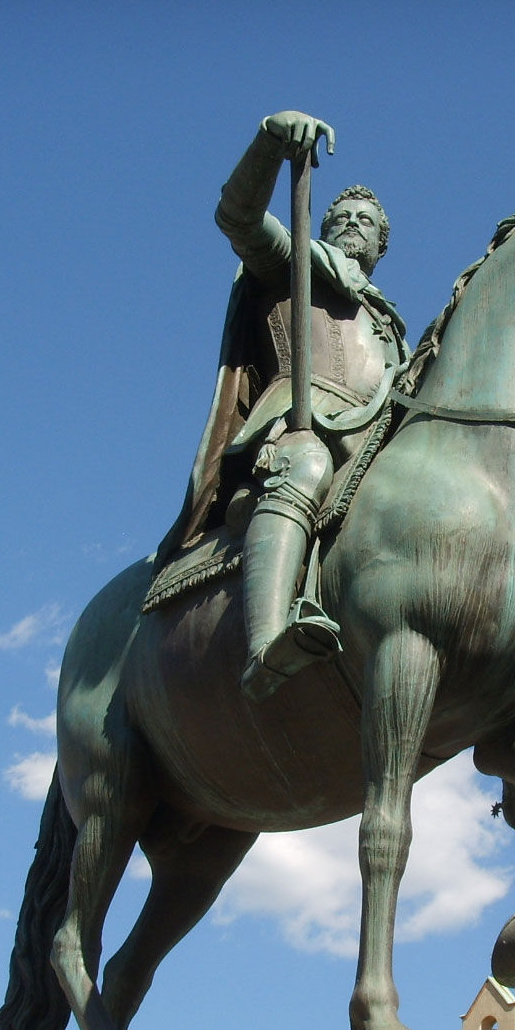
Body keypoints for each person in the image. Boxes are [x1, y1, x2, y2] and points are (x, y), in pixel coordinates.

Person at [163, 110, 407, 699]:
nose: (352, 225)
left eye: (365, 223)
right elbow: (238, 217)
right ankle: (265, 646)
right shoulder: (291, 260)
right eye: (341, 218)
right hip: (301, 427)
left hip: (374, 435)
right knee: (307, 466)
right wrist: (270, 144)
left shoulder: (391, 324)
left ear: (380, 245)